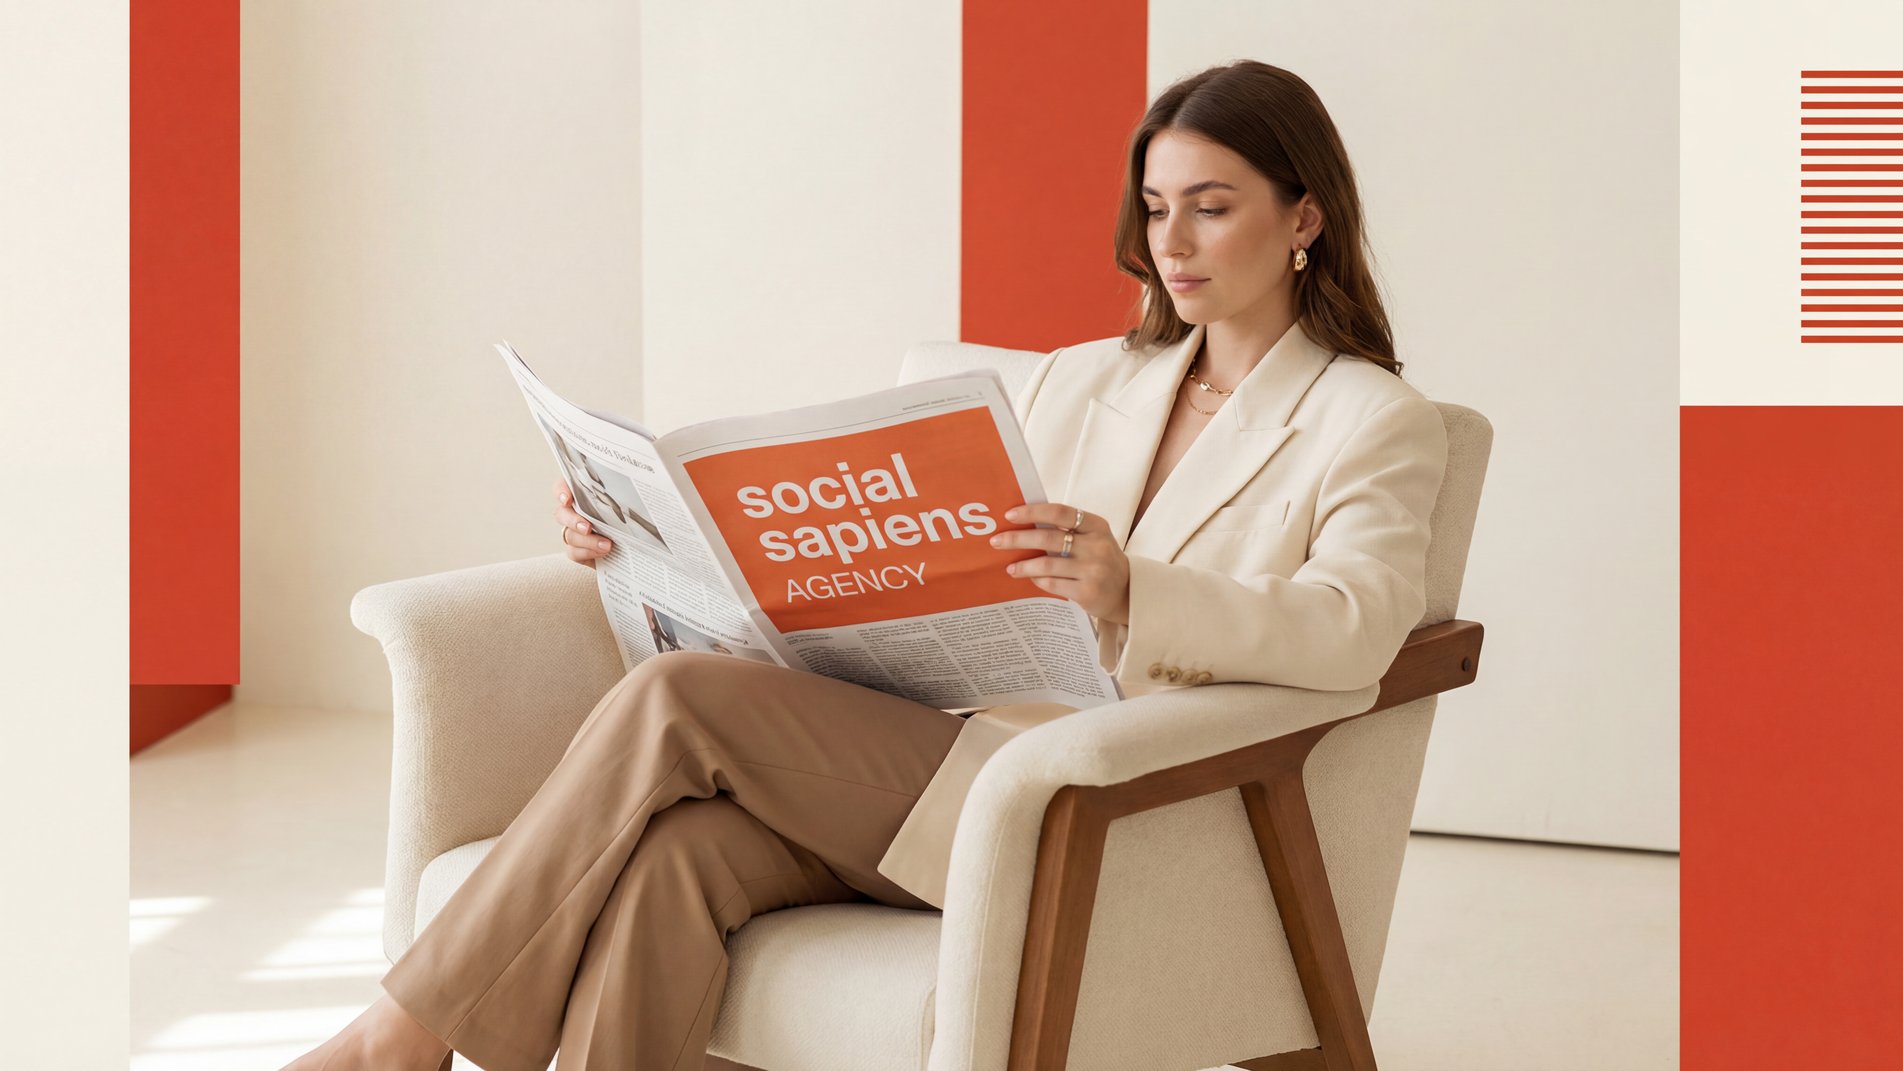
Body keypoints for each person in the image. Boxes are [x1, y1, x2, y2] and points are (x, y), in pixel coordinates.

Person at [277, 59, 1448, 1071]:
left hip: (1110, 799)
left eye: (1211, 207)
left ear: (1304, 218)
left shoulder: (1373, 420)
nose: (1171, 244)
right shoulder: (1083, 378)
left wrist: (1134, 590)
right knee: (678, 861)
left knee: (679, 702)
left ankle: (404, 1031)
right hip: (944, 749)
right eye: (1154, 208)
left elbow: (1355, 628)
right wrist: (628, 536)